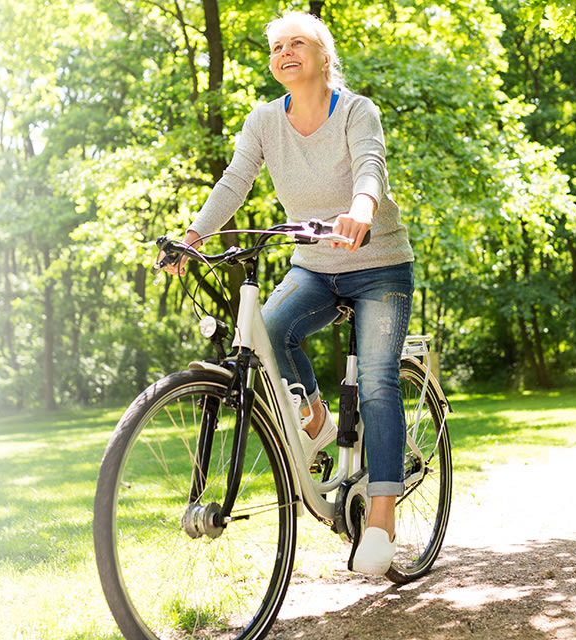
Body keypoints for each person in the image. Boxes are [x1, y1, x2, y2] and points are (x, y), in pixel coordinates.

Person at [161, 11, 412, 578]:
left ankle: (381, 521)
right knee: (269, 328)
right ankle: (318, 419)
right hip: (315, 265)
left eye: (298, 43)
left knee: (376, 379)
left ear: (324, 56)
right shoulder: (262, 121)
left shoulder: (356, 110)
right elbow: (235, 180)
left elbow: (371, 166)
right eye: (277, 46)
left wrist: (361, 211)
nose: (285, 52)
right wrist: (193, 236)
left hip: (378, 263)